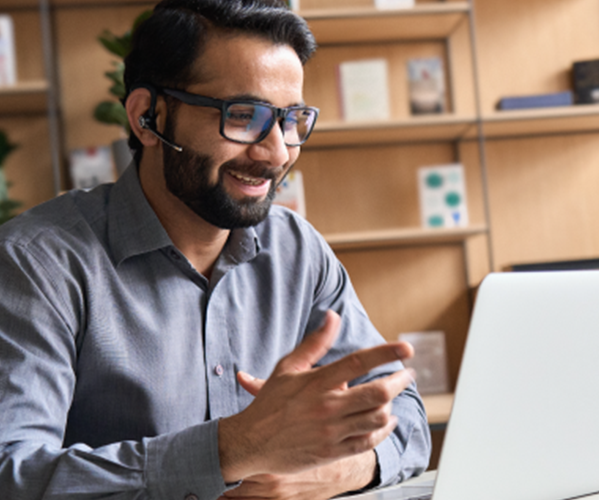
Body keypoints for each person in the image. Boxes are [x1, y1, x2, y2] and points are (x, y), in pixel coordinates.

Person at [0, 1, 431, 499]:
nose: (275, 153)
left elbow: (406, 417)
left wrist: (322, 476)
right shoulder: (35, 263)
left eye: (291, 120)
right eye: (243, 115)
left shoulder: (297, 251)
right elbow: (14, 475)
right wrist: (233, 449)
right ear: (148, 117)